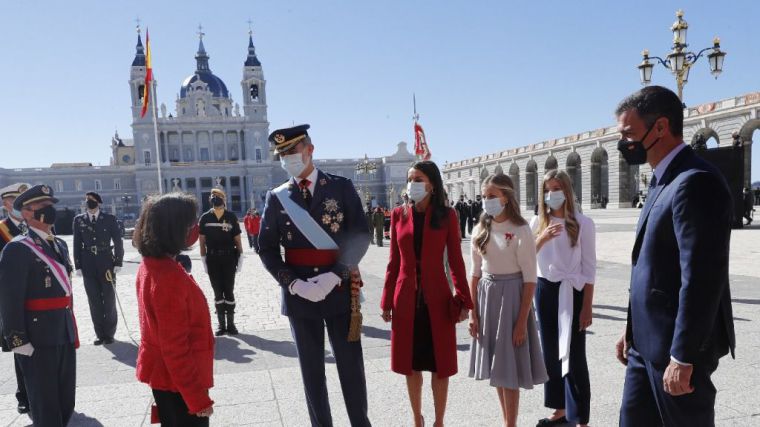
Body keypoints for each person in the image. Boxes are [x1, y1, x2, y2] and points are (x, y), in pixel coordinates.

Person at [615, 86, 735, 426]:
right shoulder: (661, 181)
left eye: (628, 133)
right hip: (645, 343)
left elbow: (701, 278)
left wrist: (682, 355)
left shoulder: (694, 182)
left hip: (675, 349)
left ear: (661, 127)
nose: (624, 143)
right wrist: (631, 328)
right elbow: (647, 265)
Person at [258, 124, 371, 427]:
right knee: (311, 372)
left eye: (292, 150)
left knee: (350, 368)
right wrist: (292, 283)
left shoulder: (341, 187)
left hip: (339, 289)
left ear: (310, 149)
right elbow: (266, 248)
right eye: (281, 153)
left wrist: (336, 275)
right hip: (300, 296)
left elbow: (360, 235)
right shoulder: (277, 197)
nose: (287, 157)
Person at [381, 160, 473, 427]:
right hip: (406, 300)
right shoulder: (399, 214)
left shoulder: (447, 215)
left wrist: (465, 301)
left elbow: (456, 261)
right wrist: (386, 300)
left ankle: (439, 421)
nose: (413, 184)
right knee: (411, 365)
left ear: (432, 184)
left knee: (439, 364)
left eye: (418, 179)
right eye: (410, 179)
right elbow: (393, 261)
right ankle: (416, 418)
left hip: (438, 300)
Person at [468, 174, 547, 427]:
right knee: (497, 368)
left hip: (513, 298)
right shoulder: (480, 228)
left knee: (509, 369)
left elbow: (530, 278)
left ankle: (510, 423)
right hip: (487, 297)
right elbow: (475, 273)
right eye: (483, 196)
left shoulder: (520, 228)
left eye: (491, 196)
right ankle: (507, 421)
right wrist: (473, 312)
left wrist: (522, 321)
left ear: (506, 196)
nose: (486, 201)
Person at [0, 184, 78, 426]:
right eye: (42, 207)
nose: (49, 211)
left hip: (62, 332)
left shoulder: (60, 245)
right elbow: (9, 299)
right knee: (45, 403)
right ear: (26, 212)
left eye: (50, 206)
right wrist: (17, 340)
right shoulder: (18, 248)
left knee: (66, 399)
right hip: (36, 338)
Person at [134, 193, 214, 425]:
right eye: (190, 223)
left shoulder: (153, 264)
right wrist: (197, 398)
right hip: (178, 381)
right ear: (174, 228)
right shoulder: (168, 277)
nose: (195, 228)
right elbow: (175, 347)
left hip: (167, 377)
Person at [530, 170, 596, 427]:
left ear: (566, 191)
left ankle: (580, 417)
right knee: (550, 353)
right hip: (545, 290)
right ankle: (558, 408)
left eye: (556, 188)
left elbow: (589, 268)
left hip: (573, 291)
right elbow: (525, 256)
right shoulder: (537, 223)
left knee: (575, 354)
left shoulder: (583, 223)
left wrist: (587, 306)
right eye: (547, 189)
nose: (551, 194)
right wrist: (541, 238)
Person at [72, 191, 124, 345]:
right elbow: (76, 243)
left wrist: (118, 262)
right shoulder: (79, 220)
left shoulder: (109, 219)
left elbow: (118, 241)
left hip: (106, 262)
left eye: (92, 200)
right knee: (94, 300)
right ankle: (99, 334)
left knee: (108, 299)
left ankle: (109, 333)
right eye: (87, 200)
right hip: (88, 263)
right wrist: (78, 265)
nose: (89, 203)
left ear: (98, 203)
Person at [0, 183, 31, 415]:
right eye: (14, 200)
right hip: (12, 298)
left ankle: (42, 391)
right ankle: (24, 394)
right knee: (20, 345)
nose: (19, 204)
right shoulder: (1, 229)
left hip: (37, 297)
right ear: (6, 203)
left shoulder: (36, 226)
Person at [199, 188, 244, 336]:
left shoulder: (231, 217)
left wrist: (241, 257)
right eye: (212, 196)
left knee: (229, 291)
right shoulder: (205, 218)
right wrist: (203, 259)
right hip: (212, 259)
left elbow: (237, 240)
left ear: (224, 199)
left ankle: (231, 324)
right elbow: (202, 242)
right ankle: (221, 325)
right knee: (217, 292)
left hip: (229, 259)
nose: (214, 198)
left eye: (217, 196)